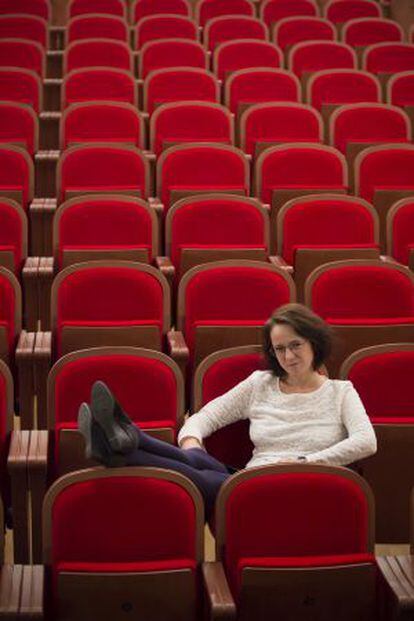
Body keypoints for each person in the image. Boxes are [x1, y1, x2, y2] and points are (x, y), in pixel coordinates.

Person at [78, 303, 377, 519]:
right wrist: (191, 439)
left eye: (295, 345)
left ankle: (122, 440)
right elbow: (206, 417)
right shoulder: (261, 384)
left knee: (201, 475)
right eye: (279, 349)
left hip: (308, 485)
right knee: (193, 459)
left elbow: (366, 441)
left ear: (314, 342)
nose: (288, 356)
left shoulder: (341, 392)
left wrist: (303, 461)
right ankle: (121, 441)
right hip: (252, 480)